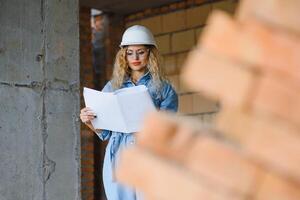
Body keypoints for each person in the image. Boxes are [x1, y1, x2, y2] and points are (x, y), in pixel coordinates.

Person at [80, 25, 178, 200]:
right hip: (119, 156)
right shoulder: (112, 87)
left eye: (140, 52)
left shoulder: (164, 88)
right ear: (123, 55)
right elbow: (105, 133)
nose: (135, 57)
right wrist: (88, 121)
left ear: (151, 54)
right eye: (130, 52)